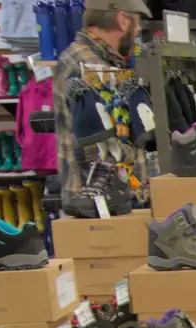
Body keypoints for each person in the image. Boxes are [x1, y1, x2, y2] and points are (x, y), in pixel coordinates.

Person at [53, 0, 148, 196]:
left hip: (99, 194)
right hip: (99, 198)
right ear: (123, 21)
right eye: (137, 22)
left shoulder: (96, 59)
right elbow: (99, 147)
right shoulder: (89, 65)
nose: (138, 29)